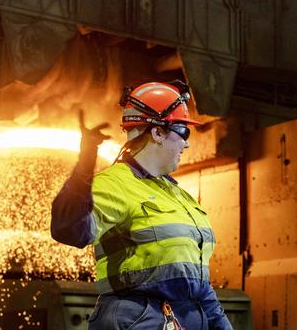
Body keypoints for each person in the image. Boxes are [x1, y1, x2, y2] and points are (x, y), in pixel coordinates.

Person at [50, 80, 232, 330]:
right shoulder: (114, 183)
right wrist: (83, 168)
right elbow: (68, 230)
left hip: (186, 318)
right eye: (184, 132)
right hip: (138, 321)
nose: (187, 144)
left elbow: (199, 283)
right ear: (157, 133)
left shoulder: (179, 195)